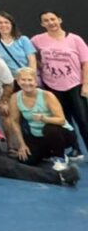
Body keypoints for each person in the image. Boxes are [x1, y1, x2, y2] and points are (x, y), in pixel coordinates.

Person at [31, 11, 88, 156]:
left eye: (53, 19)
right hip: (52, 86)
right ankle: (76, 149)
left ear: (59, 20)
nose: (50, 23)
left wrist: (86, 84)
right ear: (42, 24)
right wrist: (39, 66)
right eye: (46, 20)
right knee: (64, 121)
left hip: (74, 86)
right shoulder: (37, 40)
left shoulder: (75, 39)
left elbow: (85, 63)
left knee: (83, 120)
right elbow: (29, 54)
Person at [10, 68, 78, 167]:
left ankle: (60, 157)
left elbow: (62, 120)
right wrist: (22, 144)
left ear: (35, 81)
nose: (27, 83)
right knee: (25, 159)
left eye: (30, 80)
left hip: (63, 134)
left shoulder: (47, 95)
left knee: (49, 129)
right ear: (18, 81)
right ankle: (49, 152)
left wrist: (44, 118)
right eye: (23, 80)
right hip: (38, 135)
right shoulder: (15, 98)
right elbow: (14, 121)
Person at [0, 11, 37, 76]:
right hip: (7, 79)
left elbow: (32, 61)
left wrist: (30, 76)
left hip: (25, 78)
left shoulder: (23, 40)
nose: (3, 25)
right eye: (0, 23)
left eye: (6, 22)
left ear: (12, 24)